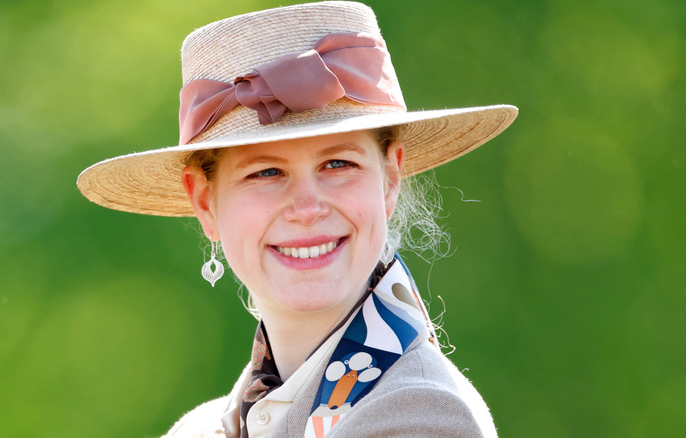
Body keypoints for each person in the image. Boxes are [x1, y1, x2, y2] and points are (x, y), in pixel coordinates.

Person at [77, 2, 517, 437]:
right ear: (206, 203)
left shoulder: (422, 416)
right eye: (266, 172)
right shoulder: (198, 429)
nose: (307, 208)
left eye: (338, 165)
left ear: (389, 179)